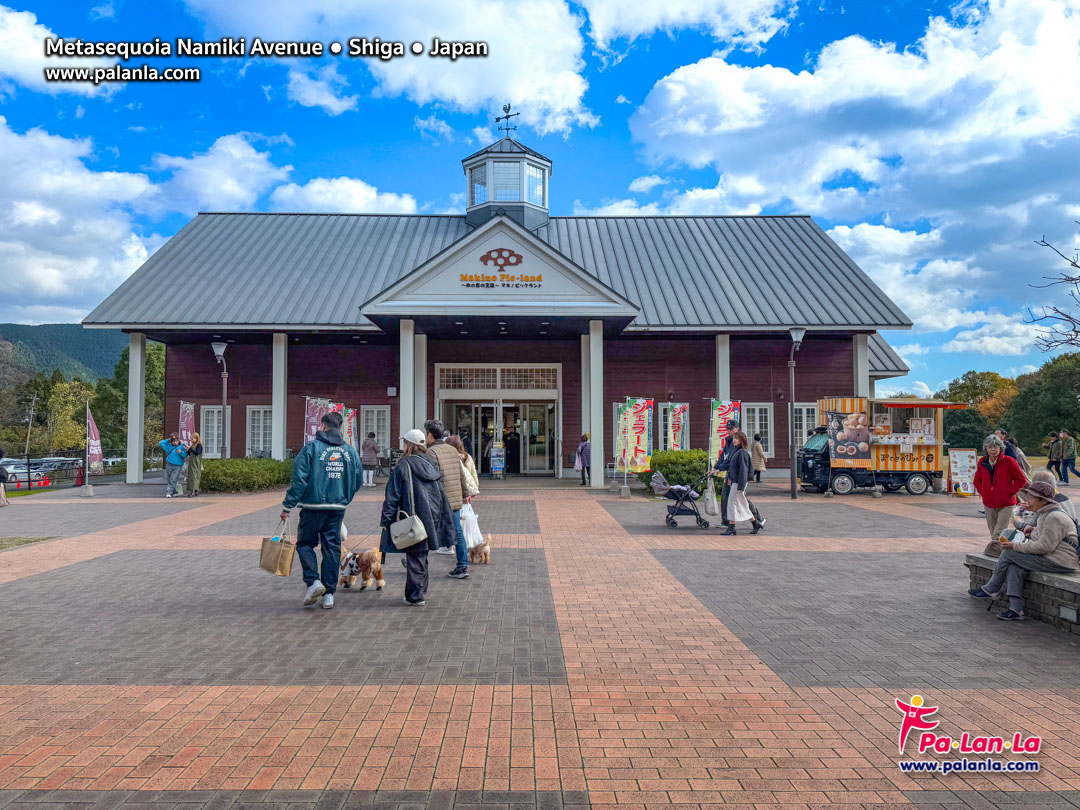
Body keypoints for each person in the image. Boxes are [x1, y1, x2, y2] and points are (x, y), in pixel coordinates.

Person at [279, 411, 362, 610]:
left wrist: (288, 505)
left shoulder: (311, 449)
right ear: (339, 428)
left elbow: (299, 479)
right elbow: (357, 479)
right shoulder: (350, 452)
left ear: (323, 426)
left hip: (312, 507)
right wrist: (344, 498)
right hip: (337, 508)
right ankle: (329, 594)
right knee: (331, 548)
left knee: (306, 544)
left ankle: (313, 582)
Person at [970, 480, 1079, 620]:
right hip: (1053, 557)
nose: (1028, 500)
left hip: (1060, 561)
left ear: (1043, 501)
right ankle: (1015, 609)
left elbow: (1045, 546)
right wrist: (1031, 530)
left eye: (1032, 497)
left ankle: (992, 588)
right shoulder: (1046, 514)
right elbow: (1045, 538)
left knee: (1009, 553)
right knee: (1016, 565)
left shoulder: (1054, 517)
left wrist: (1014, 546)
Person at [379, 429, 456, 606]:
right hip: (432, 515)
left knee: (414, 555)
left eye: (404, 442)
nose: (403, 445)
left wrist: (386, 520)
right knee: (421, 554)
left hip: (412, 516)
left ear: (409, 444)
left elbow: (393, 495)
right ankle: (421, 590)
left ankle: (415, 595)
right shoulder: (429, 462)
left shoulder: (403, 465)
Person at [424, 419, 472, 578]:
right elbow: (462, 475)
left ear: (430, 436)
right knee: (458, 532)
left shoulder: (431, 452)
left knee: (425, 531)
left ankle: (418, 561)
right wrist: (465, 494)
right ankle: (462, 565)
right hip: (455, 498)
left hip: (439, 501)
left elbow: (431, 478)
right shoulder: (452, 450)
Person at [973, 434, 1027, 557]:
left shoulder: (1009, 461)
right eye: (990, 447)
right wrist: (984, 492)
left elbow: (1021, 479)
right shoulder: (982, 462)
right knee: (993, 532)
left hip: (1006, 503)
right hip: (989, 503)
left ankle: (997, 555)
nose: (993, 450)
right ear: (986, 448)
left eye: (996, 447)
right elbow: (977, 480)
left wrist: (1010, 491)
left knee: (999, 533)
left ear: (1001, 448)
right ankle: (1004, 552)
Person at [713, 420, 764, 529]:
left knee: (738, 499)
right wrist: (717, 468)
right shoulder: (729, 442)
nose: (729, 431)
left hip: (737, 478)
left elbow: (743, 469)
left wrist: (741, 484)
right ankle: (731, 522)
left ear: (737, 430)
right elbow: (725, 457)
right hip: (732, 475)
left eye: (731, 429)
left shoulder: (741, 451)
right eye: (727, 428)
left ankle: (754, 520)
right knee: (729, 497)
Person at [446, 434, 480, 498]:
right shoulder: (467, 457)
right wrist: (475, 487)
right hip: (469, 488)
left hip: (455, 490)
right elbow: (474, 473)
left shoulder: (449, 458)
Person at [159, 433, 188, 498]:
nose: (175, 442)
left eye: (176, 441)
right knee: (169, 479)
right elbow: (160, 443)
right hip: (169, 464)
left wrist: (181, 452)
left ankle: (169, 492)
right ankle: (174, 491)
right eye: (173, 441)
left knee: (173, 479)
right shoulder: (168, 446)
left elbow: (185, 455)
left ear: (179, 440)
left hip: (178, 465)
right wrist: (168, 439)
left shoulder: (182, 446)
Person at [185, 432, 203, 497]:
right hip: (192, 463)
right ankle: (196, 491)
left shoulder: (199, 445)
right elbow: (190, 454)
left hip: (196, 463)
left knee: (194, 476)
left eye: (192, 439)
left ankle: (193, 490)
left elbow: (197, 453)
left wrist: (190, 449)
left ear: (196, 438)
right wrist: (187, 450)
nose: (191, 440)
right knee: (191, 476)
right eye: (191, 439)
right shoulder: (193, 445)